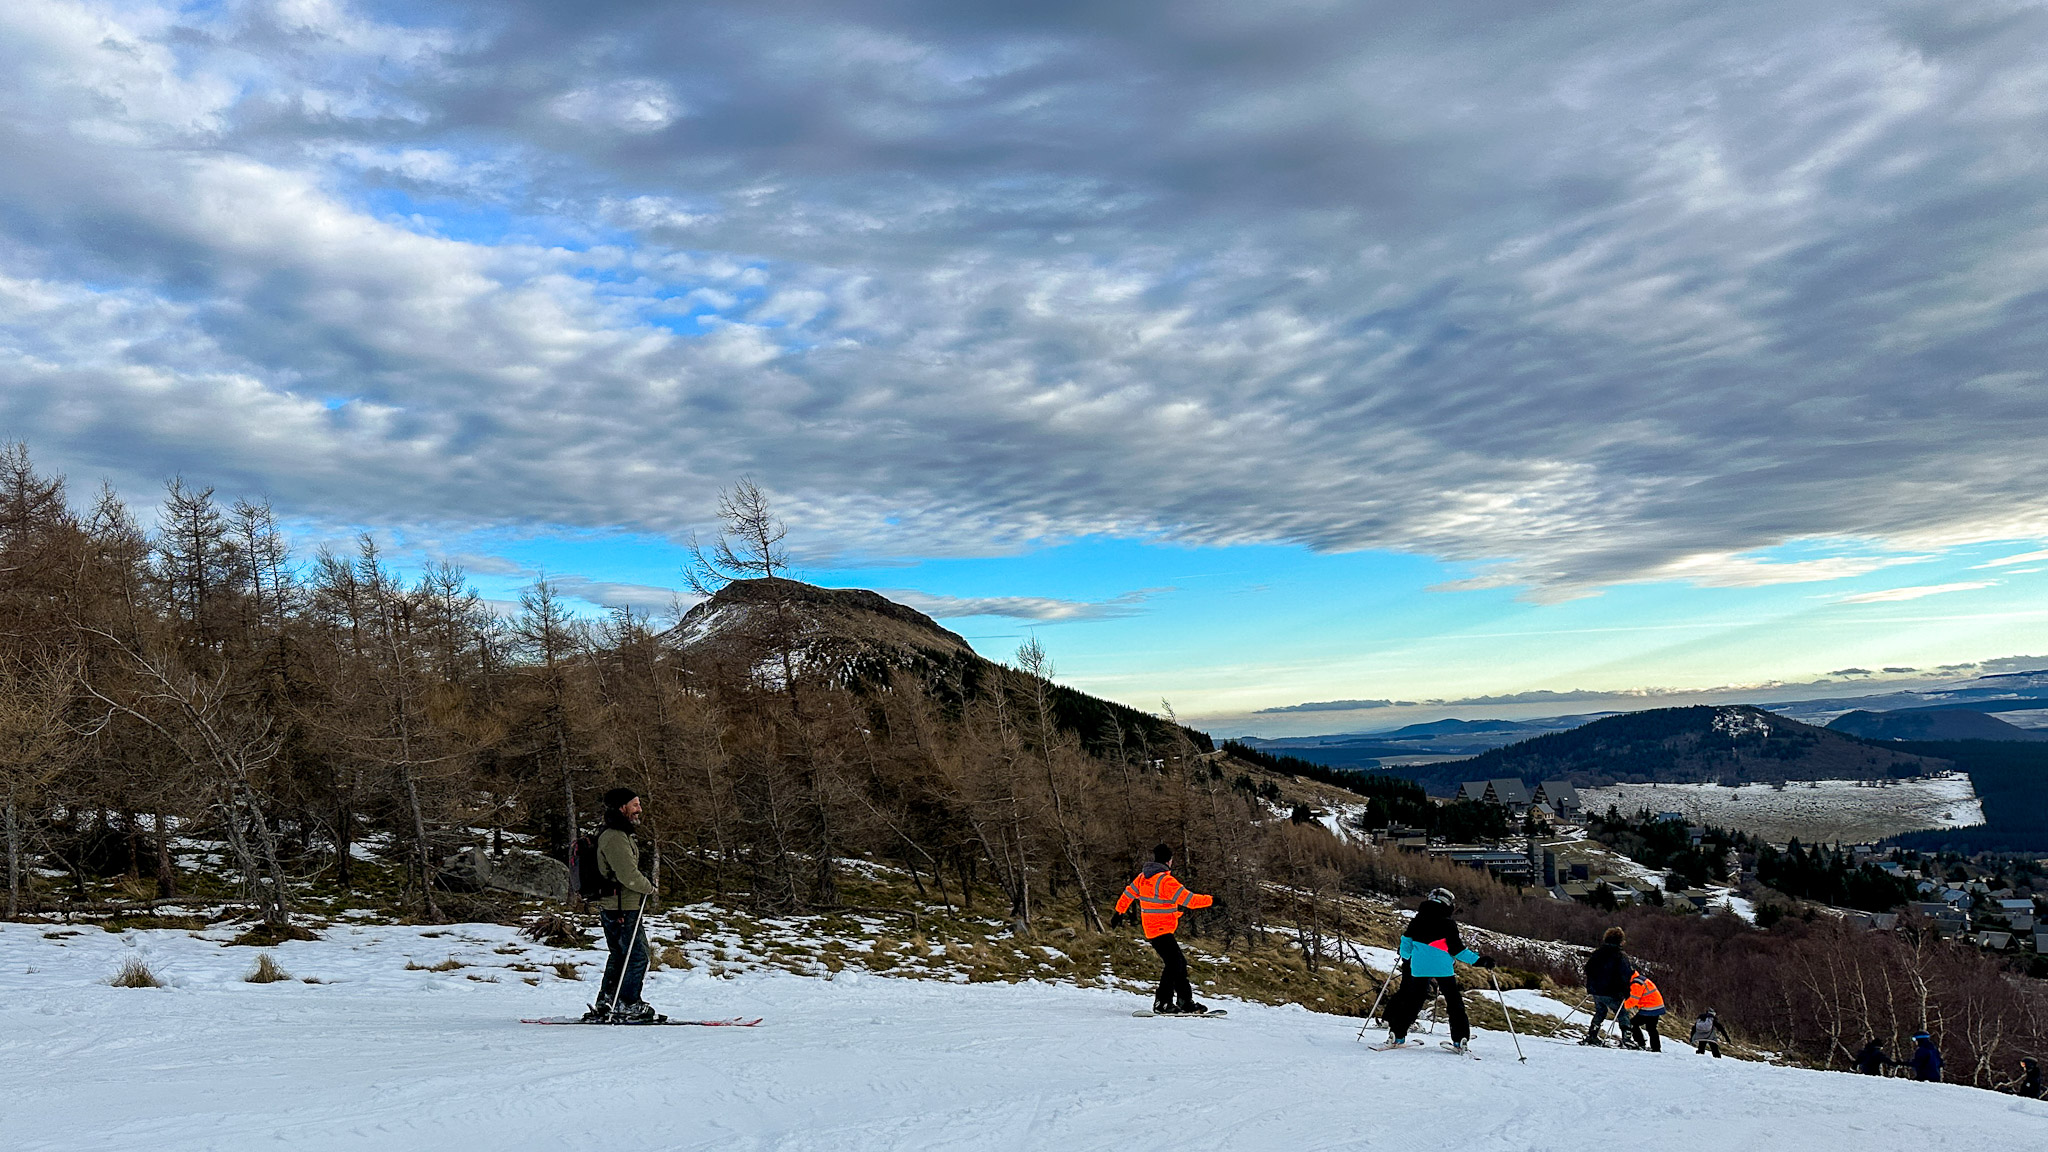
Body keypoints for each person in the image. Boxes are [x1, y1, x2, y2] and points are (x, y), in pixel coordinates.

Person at [1376, 888, 1495, 1055]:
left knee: (1413, 1000)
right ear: (1448, 904)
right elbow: (1458, 950)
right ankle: (1460, 1040)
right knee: (1454, 1002)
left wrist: (1409, 958)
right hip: (1443, 969)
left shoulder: (1416, 921)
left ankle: (1397, 1035)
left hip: (1418, 968)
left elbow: (1405, 946)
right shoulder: (1448, 924)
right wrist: (1479, 961)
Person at [584, 786, 660, 1024]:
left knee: (620, 954)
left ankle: (607, 1000)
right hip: (621, 906)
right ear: (622, 807)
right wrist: (649, 887)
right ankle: (627, 1003)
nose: (639, 809)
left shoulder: (617, 833)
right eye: (635, 804)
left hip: (618, 904)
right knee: (637, 956)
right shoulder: (615, 836)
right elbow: (628, 874)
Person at [1112, 844, 1214, 1014]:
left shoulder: (1143, 877)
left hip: (1153, 929)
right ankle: (1163, 1002)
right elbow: (1190, 900)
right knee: (1174, 964)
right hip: (1160, 929)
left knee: (1178, 963)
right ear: (1169, 860)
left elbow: (1128, 894)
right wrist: (1212, 900)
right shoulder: (1165, 881)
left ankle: (1184, 1001)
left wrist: (1119, 912)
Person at [1581, 926, 1633, 1047]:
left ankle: (1592, 1035)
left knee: (1600, 1011)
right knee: (1622, 1014)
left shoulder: (1597, 953)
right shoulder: (1620, 956)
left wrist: (1592, 985)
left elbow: (1588, 969)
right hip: (1612, 991)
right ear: (1620, 941)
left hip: (1596, 990)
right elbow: (1625, 975)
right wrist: (1626, 991)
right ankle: (1627, 1038)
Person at [1619, 969, 1667, 1052]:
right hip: (1656, 1006)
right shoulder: (1640, 979)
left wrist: (1622, 1007)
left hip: (1649, 1008)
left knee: (1633, 1024)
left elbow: (1633, 1000)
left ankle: (1641, 1043)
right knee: (1651, 1028)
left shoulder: (1636, 984)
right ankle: (1656, 1048)